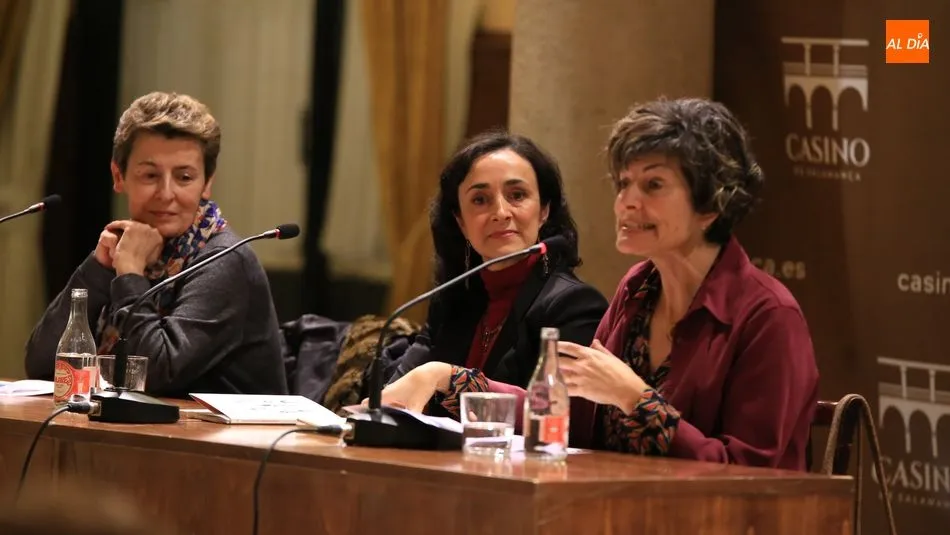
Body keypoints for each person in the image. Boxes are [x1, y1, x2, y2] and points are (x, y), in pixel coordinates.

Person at [382, 98, 819, 470]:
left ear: (712, 202)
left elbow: (757, 481)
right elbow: (568, 419)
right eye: (624, 183)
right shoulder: (638, 291)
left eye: (653, 185)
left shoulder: (768, 317)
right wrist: (451, 379)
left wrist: (635, 398)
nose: (627, 201)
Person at [24, 91, 288, 398]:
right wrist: (98, 269)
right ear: (118, 176)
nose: (166, 193)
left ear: (207, 182)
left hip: (223, 445)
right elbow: (44, 365)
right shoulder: (127, 248)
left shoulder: (225, 260)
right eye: (150, 175)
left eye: (184, 177)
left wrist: (130, 276)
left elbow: (156, 374)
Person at [374, 131, 609, 415]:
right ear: (460, 221)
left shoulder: (573, 305)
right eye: (480, 200)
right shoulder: (454, 299)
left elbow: (556, 416)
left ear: (544, 210)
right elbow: (395, 394)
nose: (500, 212)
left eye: (517, 195)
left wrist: (447, 379)